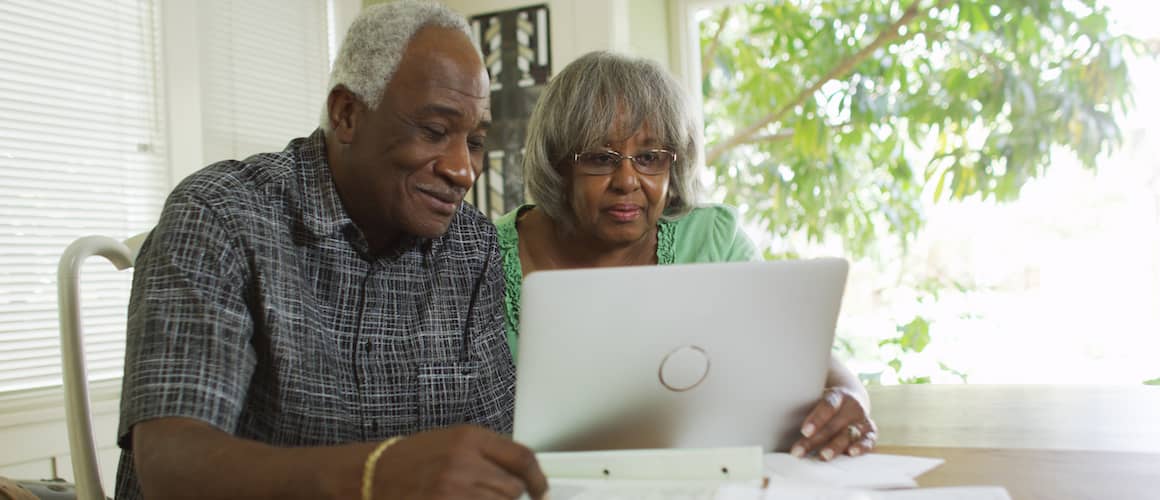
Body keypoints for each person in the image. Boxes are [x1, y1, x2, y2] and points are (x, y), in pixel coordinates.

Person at [115, 2, 547, 499]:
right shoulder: (220, 217)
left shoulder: (471, 245)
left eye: (474, 141)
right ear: (346, 114)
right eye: (434, 131)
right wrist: (378, 474)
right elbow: (172, 465)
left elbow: (498, 438)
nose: (463, 171)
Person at [496, 51, 878, 461]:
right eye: (600, 158)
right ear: (558, 165)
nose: (627, 181)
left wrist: (850, 395)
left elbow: (794, 350)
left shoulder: (713, 240)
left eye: (649, 158)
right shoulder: (483, 256)